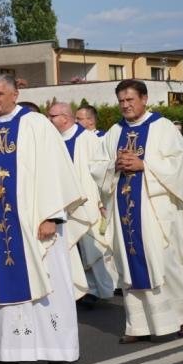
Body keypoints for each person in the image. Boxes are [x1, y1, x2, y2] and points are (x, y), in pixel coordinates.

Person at [0, 74, 85, 364]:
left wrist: (52, 216)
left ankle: (57, 351)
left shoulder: (36, 125)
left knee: (48, 285)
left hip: (36, 222)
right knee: (0, 287)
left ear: (15, 94)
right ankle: (6, 355)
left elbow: (56, 171)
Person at [93, 80, 183, 342]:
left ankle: (181, 316)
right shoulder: (115, 131)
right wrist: (113, 165)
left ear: (144, 99)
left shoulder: (163, 127)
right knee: (129, 265)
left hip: (157, 210)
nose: (125, 105)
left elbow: (179, 167)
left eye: (130, 99)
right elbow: (96, 166)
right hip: (125, 212)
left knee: (167, 263)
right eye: (121, 101)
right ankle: (138, 325)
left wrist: (144, 165)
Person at [47, 102, 117, 302]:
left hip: (88, 202)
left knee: (94, 247)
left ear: (65, 118)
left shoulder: (88, 140)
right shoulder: (52, 140)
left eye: (52, 116)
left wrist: (101, 202)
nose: (49, 120)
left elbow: (101, 172)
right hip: (63, 203)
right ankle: (82, 289)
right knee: (70, 248)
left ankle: (103, 288)